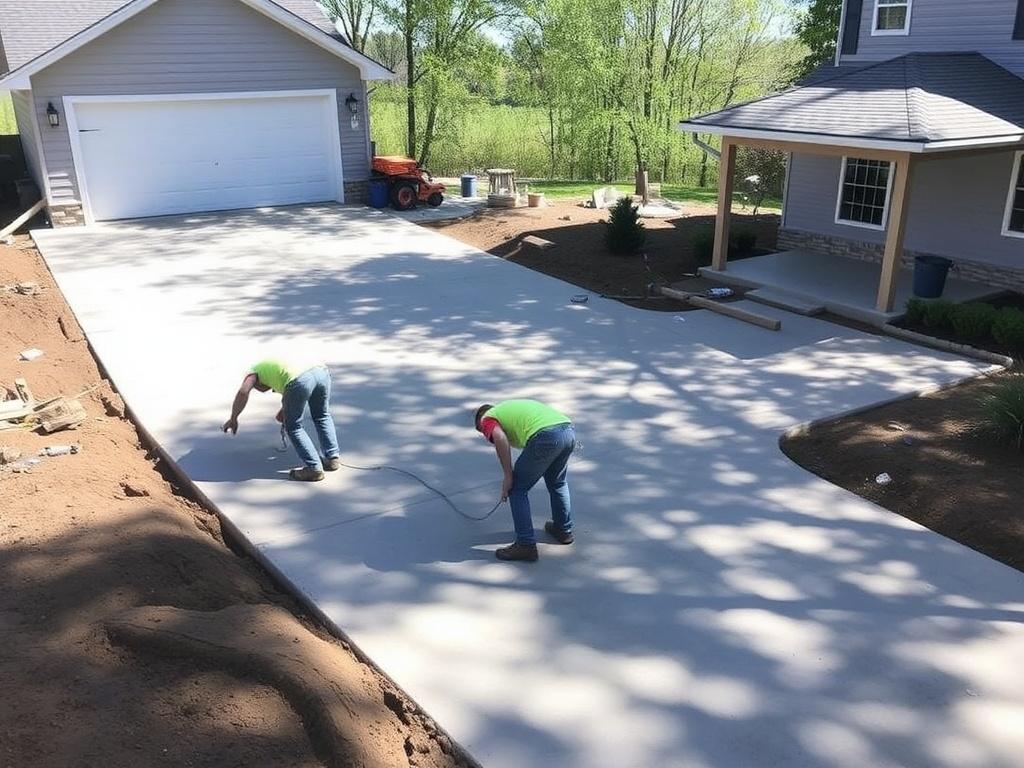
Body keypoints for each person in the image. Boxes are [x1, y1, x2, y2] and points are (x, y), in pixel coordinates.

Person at [474, 399, 576, 562]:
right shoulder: (507, 410)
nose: (488, 436)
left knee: (517, 487)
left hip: (546, 436)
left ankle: (525, 545)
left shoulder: (487, 418)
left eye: (485, 433)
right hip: (567, 431)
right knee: (557, 483)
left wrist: (508, 476)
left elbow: (500, 438)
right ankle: (563, 530)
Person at [223, 359, 340, 481]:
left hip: (299, 379)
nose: (263, 390)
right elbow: (292, 393)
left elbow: (243, 391)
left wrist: (233, 418)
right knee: (321, 415)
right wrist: (285, 411)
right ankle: (332, 458)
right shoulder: (274, 368)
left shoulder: (253, 373)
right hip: (320, 371)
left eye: (257, 388)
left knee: (294, 427)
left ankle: (314, 469)